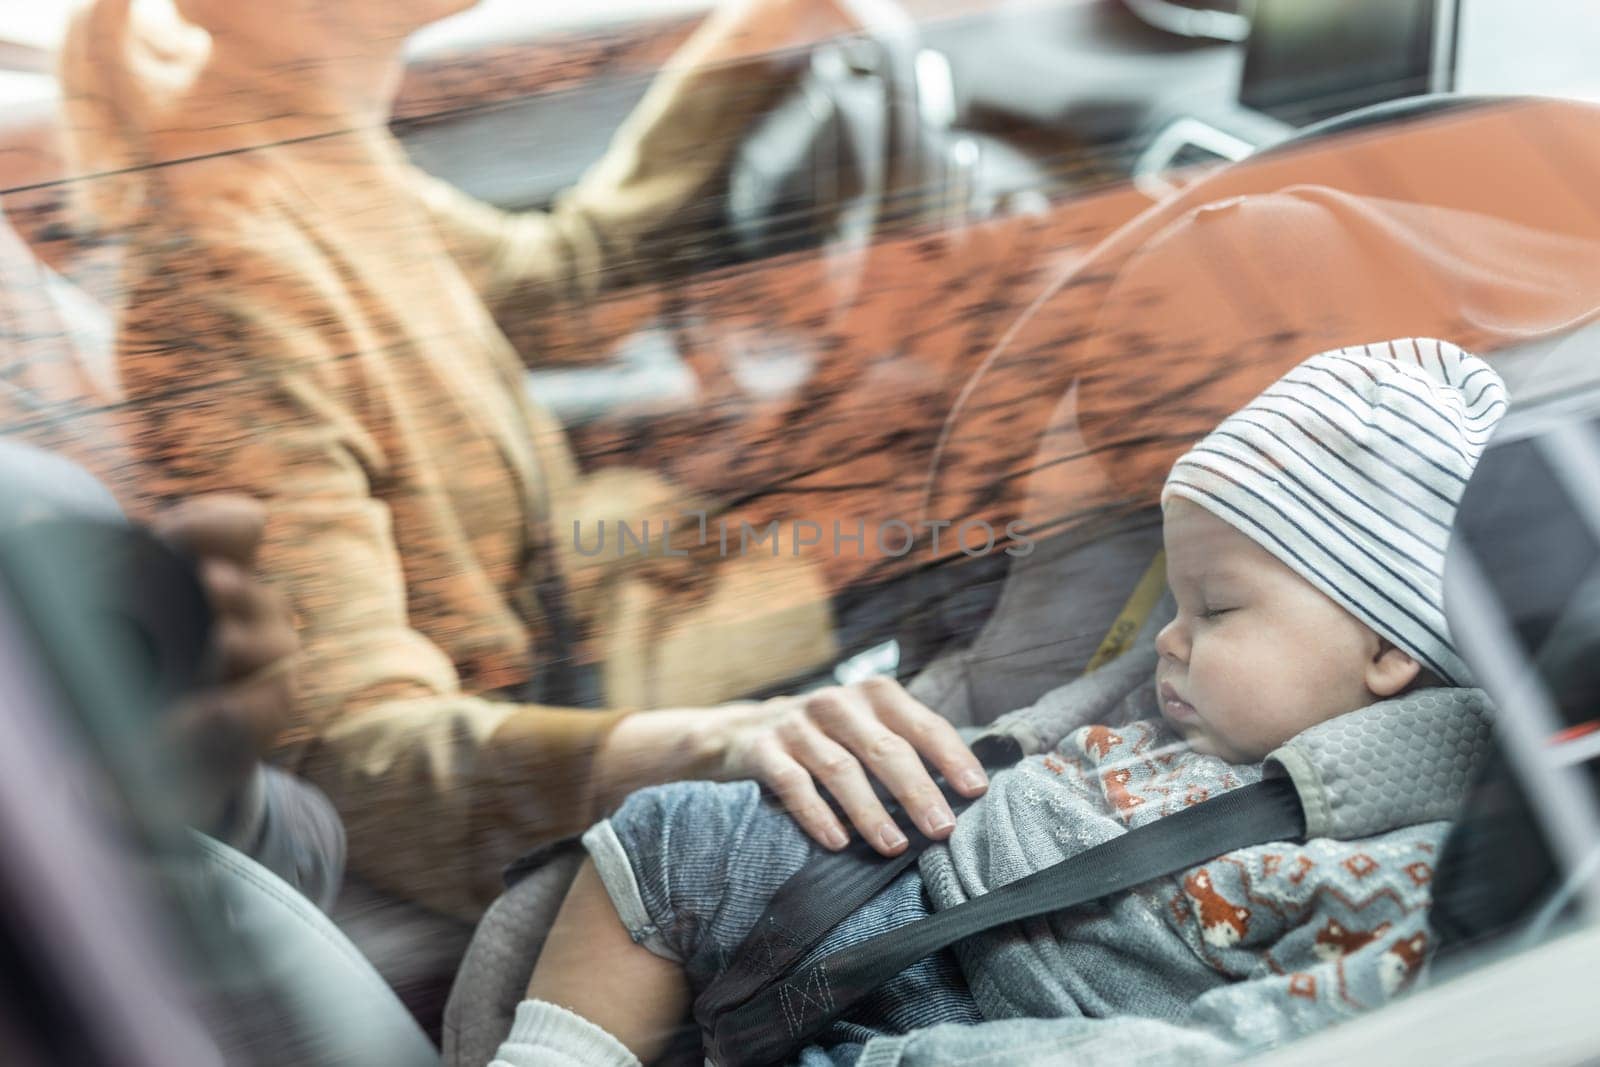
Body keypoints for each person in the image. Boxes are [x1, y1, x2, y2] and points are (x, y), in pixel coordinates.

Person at [55, 0, 987, 921]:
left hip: (582, 615)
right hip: (540, 727)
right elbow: (351, 752)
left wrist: (766, 27)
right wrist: (724, 744)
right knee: (978, 601)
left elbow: (560, 282)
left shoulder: (306, 142)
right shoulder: (224, 273)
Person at [494, 337, 1502, 1066]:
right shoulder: (1189, 697)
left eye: (1217, 606)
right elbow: (1023, 739)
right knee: (672, 836)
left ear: (1385, 647)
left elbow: (1250, 1039)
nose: (1168, 634)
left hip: (1039, 1021)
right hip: (931, 883)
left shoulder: (1412, 861)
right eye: (1176, 599)